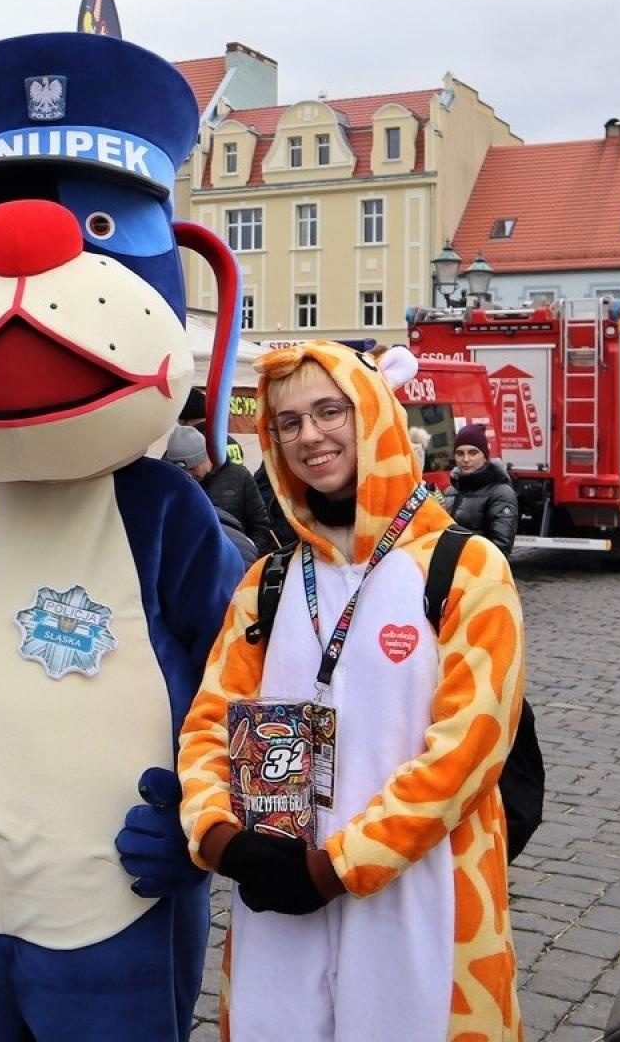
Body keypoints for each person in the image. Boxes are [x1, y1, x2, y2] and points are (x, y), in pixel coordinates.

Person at [177, 341, 525, 1040]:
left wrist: (337, 868)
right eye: (289, 422)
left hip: (420, 897)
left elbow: (467, 752)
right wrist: (222, 840)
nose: (311, 435)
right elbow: (209, 724)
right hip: (279, 896)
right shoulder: (267, 582)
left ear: (372, 416)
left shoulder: (463, 568)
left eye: (329, 411)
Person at [166, 424, 276, 556]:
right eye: (182, 471)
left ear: (206, 458)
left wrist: (250, 555)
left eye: (193, 469)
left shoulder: (239, 477)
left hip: (238, 560)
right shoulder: (173, 482)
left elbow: (261, 524)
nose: (188, 475)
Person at [445, 422, 519, 555]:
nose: (466, 459)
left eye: (473, 453)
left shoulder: (501, 493)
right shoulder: (451, 491)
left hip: (480, 571)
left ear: (484, 456)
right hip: (452, 571)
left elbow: (500, 547)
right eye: (460, 453)